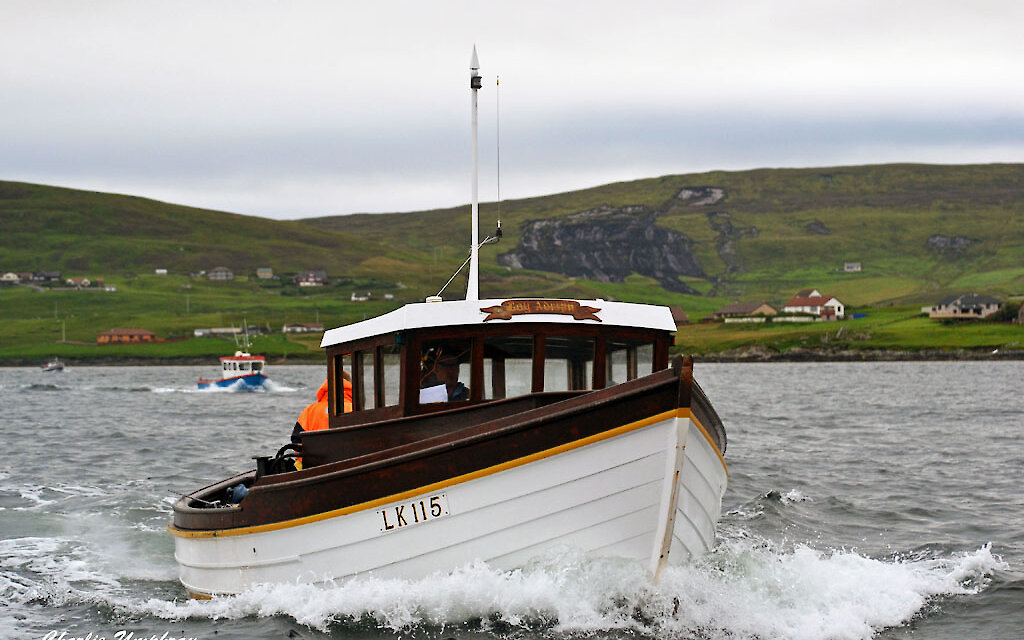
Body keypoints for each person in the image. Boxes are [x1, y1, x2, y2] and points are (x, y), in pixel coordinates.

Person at [291, 373, 352, 468]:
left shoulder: (310, 410)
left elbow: (295, 440)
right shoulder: (355, 409)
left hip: (310, 466)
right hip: (344, 465)